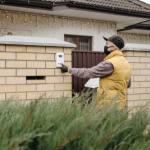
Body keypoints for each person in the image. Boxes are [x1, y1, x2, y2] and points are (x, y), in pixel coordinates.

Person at [61, 35, 131, 110]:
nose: (105, 46)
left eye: (107, 44)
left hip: (108, 105)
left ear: (113, 48)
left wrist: (68, 69)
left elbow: (88, 72)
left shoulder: (109, 63)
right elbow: (128, 84)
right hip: (119, 104)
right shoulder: (126, 62)